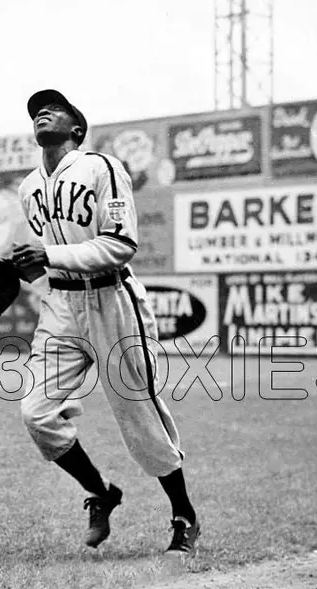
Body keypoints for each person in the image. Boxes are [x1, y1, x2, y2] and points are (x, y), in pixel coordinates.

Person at [11, 89, 200, 556]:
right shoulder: (28, 188)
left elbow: (120, 243)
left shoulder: (101, 167)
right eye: (36, 111)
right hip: (61, 306)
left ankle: (184, 515)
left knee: (138, 414)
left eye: (53, 108)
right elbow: (42, 258)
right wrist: (17, 268)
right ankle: (101, 491)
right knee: (36, 412)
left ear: (77, 128)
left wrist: (49, 256)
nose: (42, 113)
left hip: (111, 299)